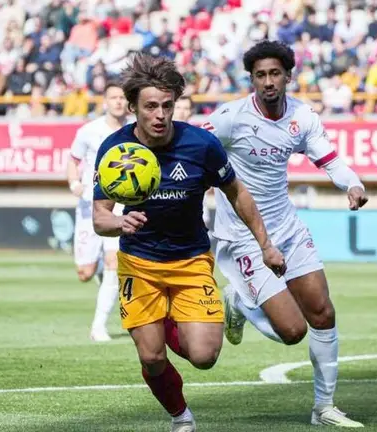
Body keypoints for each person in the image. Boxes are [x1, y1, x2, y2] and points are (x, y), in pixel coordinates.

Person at [92, 53, 285, 432]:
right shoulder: (116, 151)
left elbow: (238, 193)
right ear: (133, 107)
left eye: (168, 105)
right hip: (139, 263)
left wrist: (266, 245)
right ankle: (181, 418)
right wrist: (119, 221)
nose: (161, 114)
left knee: (204, 356)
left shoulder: (202, 145)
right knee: (151, 358)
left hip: (191, 259)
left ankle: (194, 312)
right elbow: (99, 216)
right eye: (150, 106)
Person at [205, 40, 367, 428]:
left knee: (323, 313)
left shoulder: (302, 117)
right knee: (293, 331)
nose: (267, 81)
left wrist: (352, 184)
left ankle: (323, 408)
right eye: (260, 75)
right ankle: (240, 303)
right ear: (251, 80)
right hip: (243, 235)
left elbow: (329, 158)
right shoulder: (230, 117)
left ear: (288, 76)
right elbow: (195, 146)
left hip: (288, 229)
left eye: (274, 73)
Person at [67, 82, 133, 342]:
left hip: (117, 205)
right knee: (85, 272)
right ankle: (101, 277)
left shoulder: (134, 131)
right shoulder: (89, 131)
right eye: (113, 97)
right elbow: (73, 161)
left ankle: (98, 327)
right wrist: (74, 183)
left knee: (113, 262)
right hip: (88, 205)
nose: (118, 102)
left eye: (122, 97)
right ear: (104, 101)